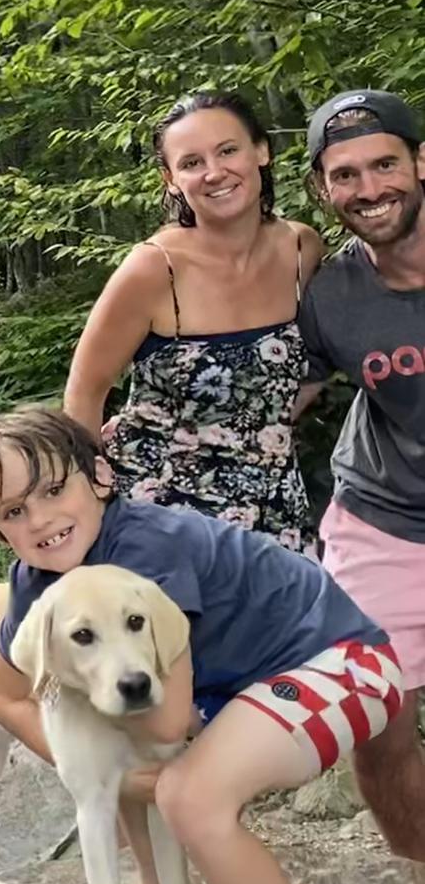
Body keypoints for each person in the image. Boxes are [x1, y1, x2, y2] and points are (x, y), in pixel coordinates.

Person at [0, 405, 401, 884]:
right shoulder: (37, 586)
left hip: (342, 664)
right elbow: (7, 696)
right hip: (249, 689)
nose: (41, 519)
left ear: (99, 475)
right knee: (110, 728)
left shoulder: (145, 550)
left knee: (188, 795)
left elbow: (168, 724)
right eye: (16, 511)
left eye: (51, 489)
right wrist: (91, 772)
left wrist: (109, 769)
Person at [64, 89, 324, 548]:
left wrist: (260, 429)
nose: (214, 173)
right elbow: (84, 393)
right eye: (191, 163)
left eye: (227, 150)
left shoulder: (302, 250)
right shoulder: (153, 269)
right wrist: (96, 501)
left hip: (274, 508)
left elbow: (318, 361)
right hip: (160, 514)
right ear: (170, 179)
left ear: (261, 151)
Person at [298, 86, 425, 861]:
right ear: (321, 188)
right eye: (345, 175)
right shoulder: (330, 296)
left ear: (420, 161)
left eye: (384, 164)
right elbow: (275, 399)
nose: (369, 189)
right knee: (375, 725)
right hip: (383, 522)